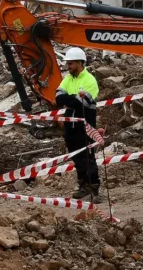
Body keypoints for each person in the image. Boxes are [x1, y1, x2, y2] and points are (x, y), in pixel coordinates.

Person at [54, 48, 102, 203]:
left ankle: (94, 189)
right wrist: (72, 98)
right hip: (70, 126)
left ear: (80, 63)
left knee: (88, 157)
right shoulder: (68, 79)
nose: (68, 66)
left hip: (85, 125)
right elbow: (58, 98)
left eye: (71, 63)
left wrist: (70, 99)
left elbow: (83, 102)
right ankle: (83, 187)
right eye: (67, 63)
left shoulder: (90, 80)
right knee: (76, 156)